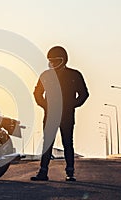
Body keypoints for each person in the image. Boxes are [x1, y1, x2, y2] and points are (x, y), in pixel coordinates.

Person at [31, 46, 89, 181]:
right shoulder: (45, 75)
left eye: (56, 60)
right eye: (51, 61)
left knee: (67, 143)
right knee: (47, 144)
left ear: (63, 60)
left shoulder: (74, 75)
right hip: (50, 115)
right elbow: (37, 93)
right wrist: (45, 106)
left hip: (67, 115)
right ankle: (43, 172)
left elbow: (84, 94)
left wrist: (72, 105)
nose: (53, 64)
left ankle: (70, 173)